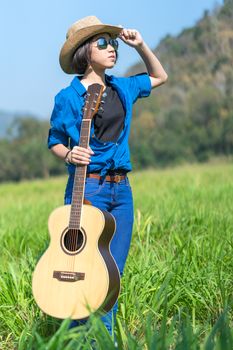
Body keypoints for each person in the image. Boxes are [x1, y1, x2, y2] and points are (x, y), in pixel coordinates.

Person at [47, 15, 168, 339]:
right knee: (83, 272)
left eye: (113, 43)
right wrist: (69, 154)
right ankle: (78, 339)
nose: (112, 48)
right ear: (85, 51)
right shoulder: (68, 97)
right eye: (103, 42)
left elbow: (160, 76)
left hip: (121, 193)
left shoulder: (123, 86)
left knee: (112, 275)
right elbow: (55, 140)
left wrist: (140, 45)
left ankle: (102, 341)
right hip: (88, 189)